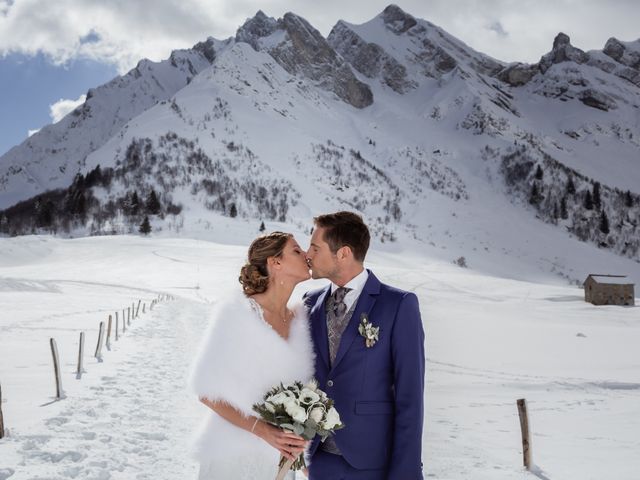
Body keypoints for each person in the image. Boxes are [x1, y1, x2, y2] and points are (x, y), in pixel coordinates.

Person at [304, 211, 425, 480]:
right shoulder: (309, 303)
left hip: (372, 465)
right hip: (319, 462)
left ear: (343, 253)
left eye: (315, 247)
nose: (307, 253)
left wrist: (405, 472)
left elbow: (410, 397)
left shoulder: (398, 305)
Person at [189, 232, 315, 479]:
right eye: (297, 251)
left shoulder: (301, 319)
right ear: (275, 262)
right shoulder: (238, 312)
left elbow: (293, 402)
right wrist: (263, 431)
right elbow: (205, 393)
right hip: (233, 456)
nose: (307, 256)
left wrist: (298, 458)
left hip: (277, 461)